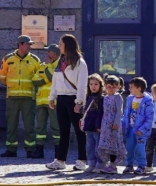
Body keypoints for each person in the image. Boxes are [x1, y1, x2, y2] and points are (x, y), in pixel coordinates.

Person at [45, 35, 89, 171]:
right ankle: (60, 160)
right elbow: (55, 81)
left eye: (61, 44)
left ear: (68, 45)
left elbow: (82, 84)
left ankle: (82, 160)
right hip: (61, 98)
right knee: (63, 131)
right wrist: (52, 97)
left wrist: (79, 102)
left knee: (79, 131)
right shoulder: (60, 61)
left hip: (73, 98)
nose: (59, 46)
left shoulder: (80, 63)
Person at [0, 35, 41, 158]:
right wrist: (11, 86)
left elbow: (39, 77)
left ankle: (30, 149)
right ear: (20, 45)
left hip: (28, 98)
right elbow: (2, 77)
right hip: (12, 97)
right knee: (11, 124)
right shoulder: (8, 59)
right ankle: (11, 149)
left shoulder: (35, 60)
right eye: (28, 44)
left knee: (29, 125)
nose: (30, 46)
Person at [31, 44, 61, 158]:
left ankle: (58, 152)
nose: (46, 54)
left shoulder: (59, 66)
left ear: (54, 54)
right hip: (41, 101)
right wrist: (46, 80)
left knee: (56, 127)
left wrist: (48, 68)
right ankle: (39, 151)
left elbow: (54, 79)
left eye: (48, 52)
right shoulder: (42, 66)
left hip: (53, 102)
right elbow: (34, 80)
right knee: (40, 127)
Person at [121, 77, 154, 175]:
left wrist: (142, 129)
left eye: (131, 87)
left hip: (141, 130)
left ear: (139, 88)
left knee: (140, 148)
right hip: (130, 128)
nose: (129, 89)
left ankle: (141, 165)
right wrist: (123, 124)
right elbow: (126, 113)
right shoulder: (130, 98)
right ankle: (129, 164)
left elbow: (149, 118)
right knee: (129, 147)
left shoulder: (148, 101)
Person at [95, 75, 125, 174]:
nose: (111, 89)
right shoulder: (105, 98)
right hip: (105, 124)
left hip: (114, 124)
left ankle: (113, 165)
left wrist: (116, 123)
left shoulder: (117, 97)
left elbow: (119, 111)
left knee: (114, 144)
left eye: (114, 87)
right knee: (106, 144)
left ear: (118, 87)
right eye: (109, 87)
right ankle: (107, 164)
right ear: (105, 86)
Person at [79, 73, 105, 173]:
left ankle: (100, 164)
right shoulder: (89, 97)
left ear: (100, 85)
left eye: (96, 84)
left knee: (99, 147)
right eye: (91, 84)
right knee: (89, 146)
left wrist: (98, 125)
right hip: (88, 127)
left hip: (97, 127)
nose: (93, 87)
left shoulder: (102, 98)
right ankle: (91, 163)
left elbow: (100, 113)